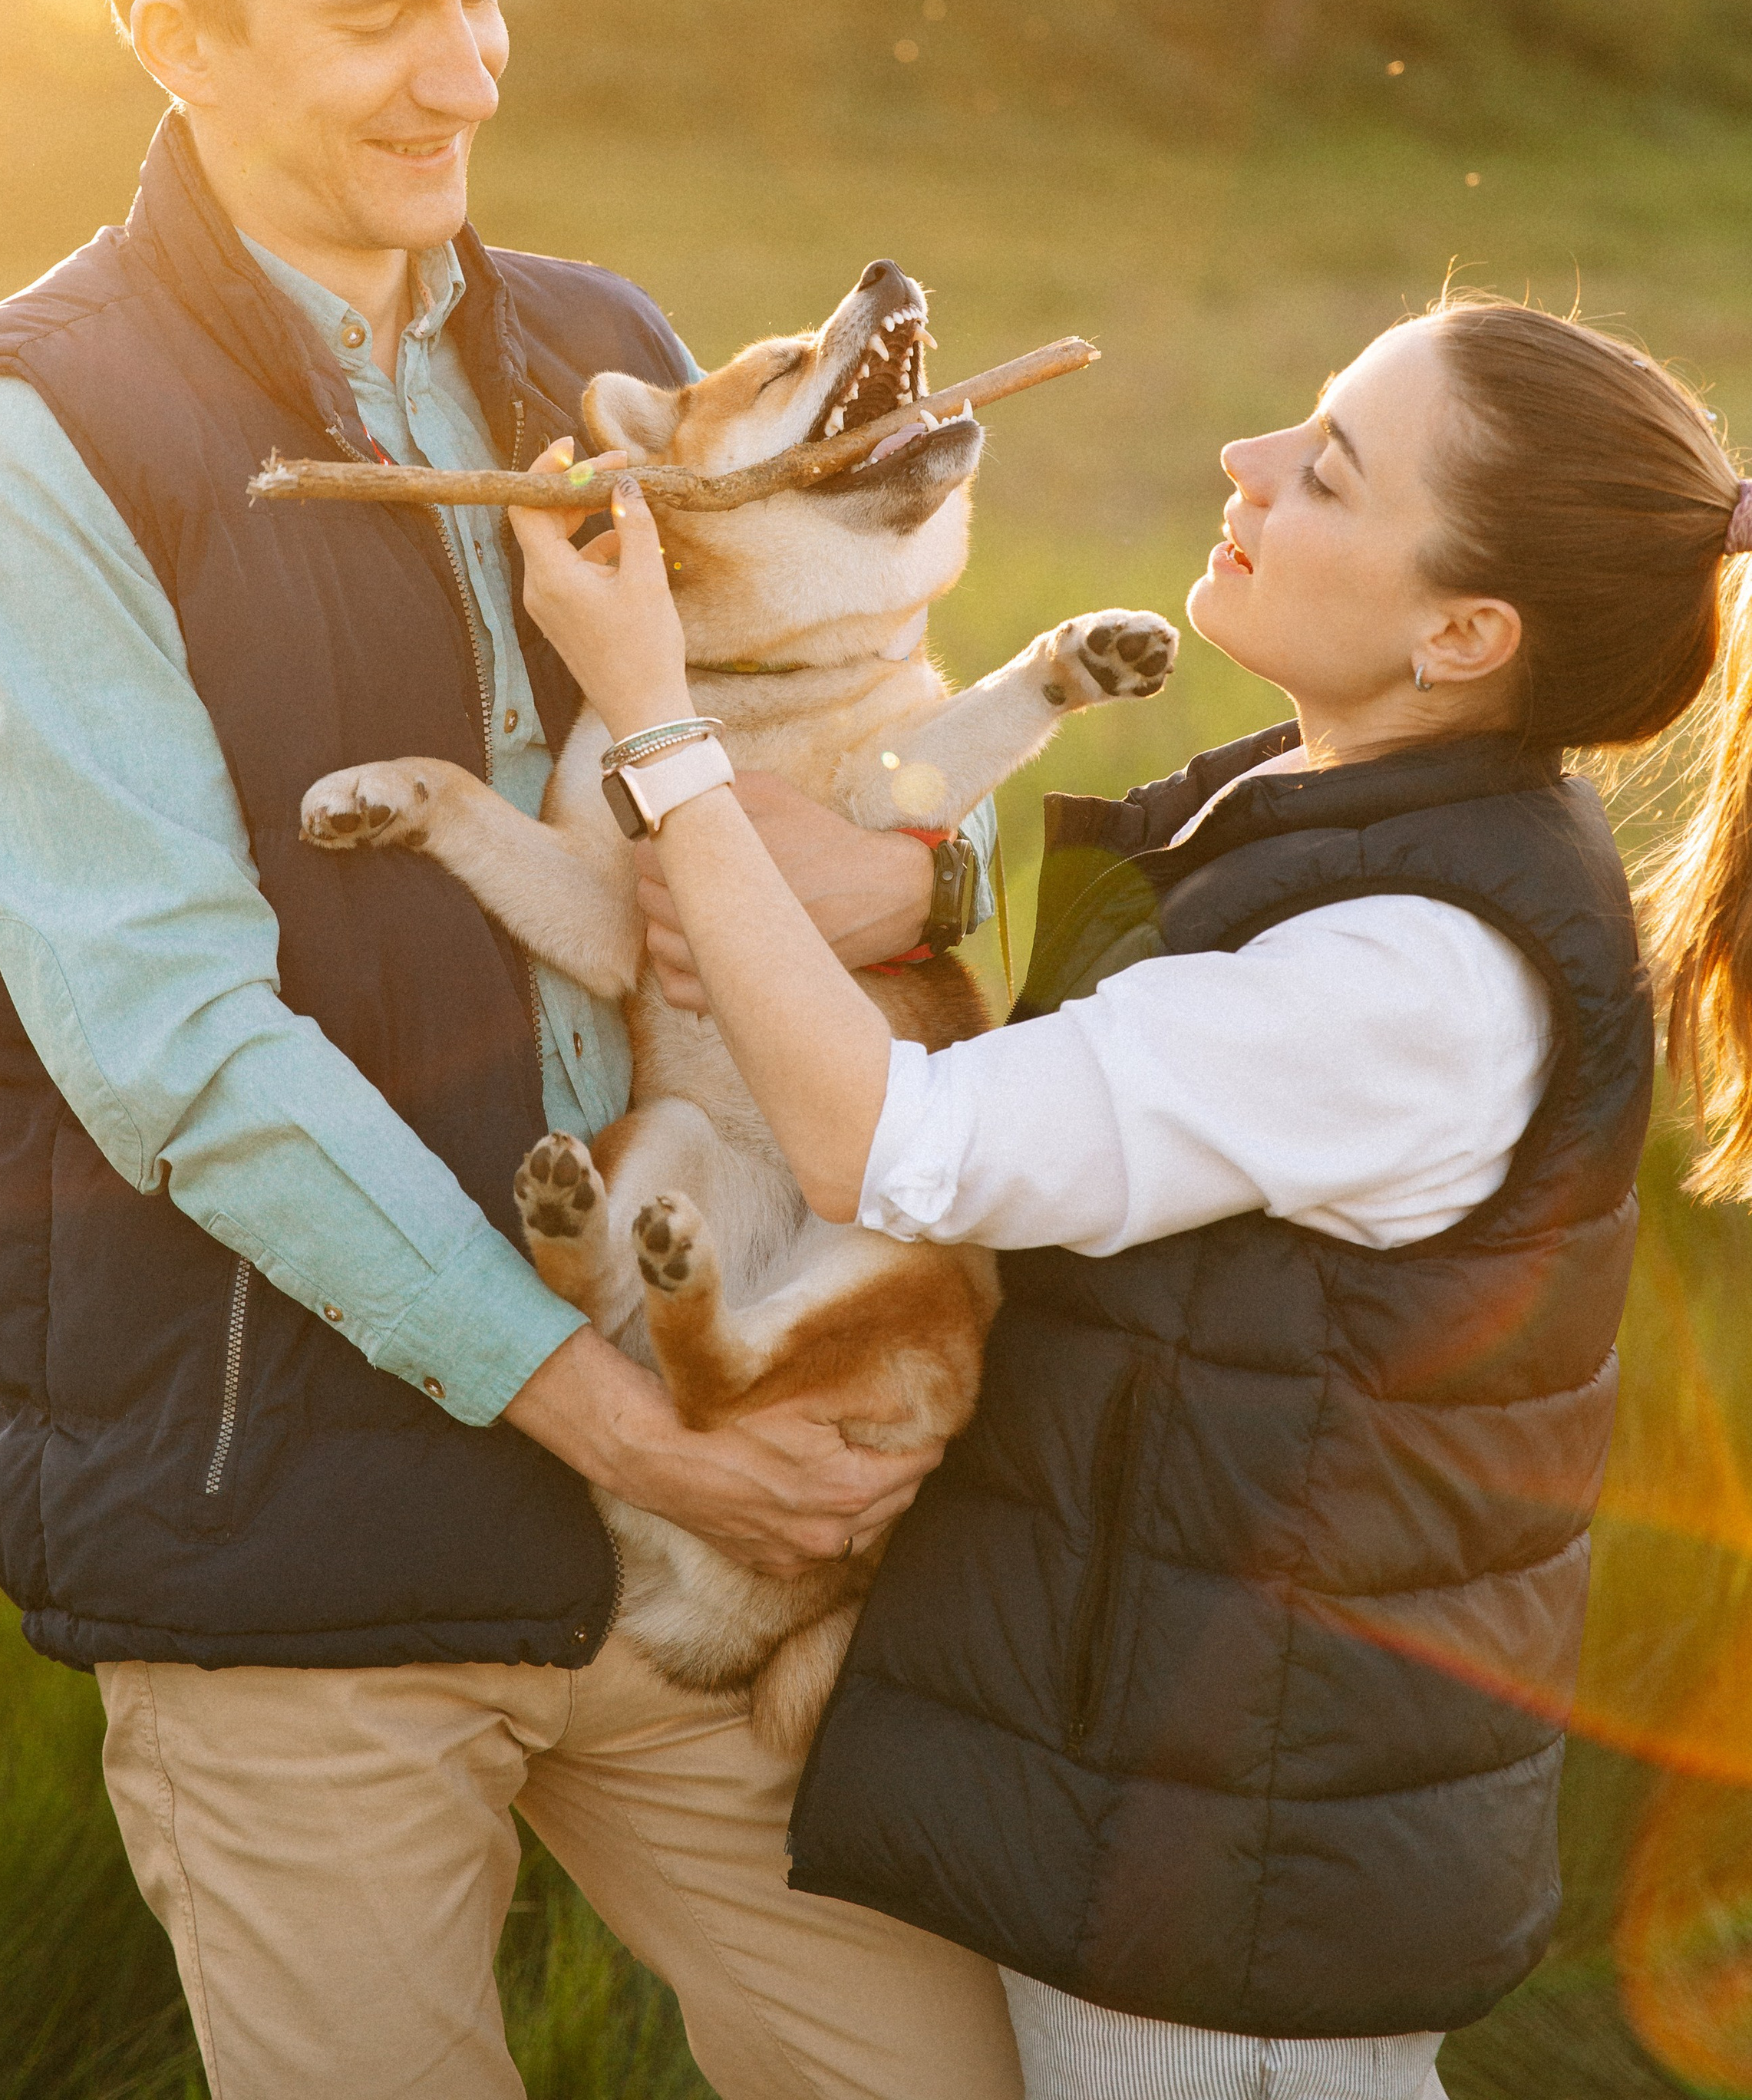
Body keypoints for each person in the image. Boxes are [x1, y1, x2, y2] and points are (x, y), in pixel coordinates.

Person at [0, 0, 1024, 2100]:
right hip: (297, 1546)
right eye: (382, 13)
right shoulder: (39, 441)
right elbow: (174, 1054)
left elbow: (835, 743)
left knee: (947, 2081)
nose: (467, 71)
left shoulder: (599, 349)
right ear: (173, 35)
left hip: (691, 1549)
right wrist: (626, 1418)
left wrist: (927, 865)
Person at [510, 292, 1752, 2100]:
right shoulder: (1327, 801)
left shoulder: (1410, 970)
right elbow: (1059, 1020)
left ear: (1461, 631)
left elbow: (893, 1144)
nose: (1244, 463)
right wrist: (910, 878)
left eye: (1323, 471)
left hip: (1226, 1927)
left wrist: (657, 721)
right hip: (1167, 1809)